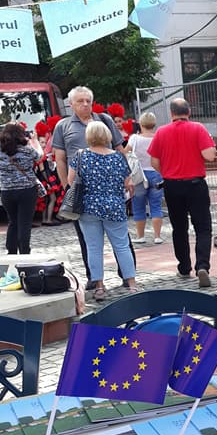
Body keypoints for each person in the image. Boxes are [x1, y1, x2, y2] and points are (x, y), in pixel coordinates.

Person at [54, 86, 134, 289]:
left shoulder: (104, 120)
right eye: (80, 101)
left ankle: (122, 277)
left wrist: (128, 175)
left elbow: (120, 149)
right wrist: (67, 188)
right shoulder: (63, 126)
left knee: (111, 242)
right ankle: (95, 279)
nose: (85, 104)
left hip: (95, 198)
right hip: (83, 192)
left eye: (88, 101)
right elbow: (60, 158)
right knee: (90, 242)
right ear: (71, 104)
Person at [148, 98, 216, 288]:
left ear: (171, 113)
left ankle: (184, 267)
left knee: (179, 228)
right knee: (203, 228)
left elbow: (154, 162)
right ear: (189, 111)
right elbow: (209, 156)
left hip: (172, 185)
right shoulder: (198, 128)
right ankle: (202, 266)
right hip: (196, 184)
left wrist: (168, 172)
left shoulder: (161, 132)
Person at [68, 121, 138, 301]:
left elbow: (70, 181)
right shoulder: (118, 157)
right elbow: (128, 183)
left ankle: (99, 287)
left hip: (88, 208)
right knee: (122, 246)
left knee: (93, 248)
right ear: (107, 135)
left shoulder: (80, 156)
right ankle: (132, 285)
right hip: (114, 207)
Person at [0, 123, 42, 255]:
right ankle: (25, 251)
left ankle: (11, 251)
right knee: (25, 223)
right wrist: (35, 141)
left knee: (13, 221)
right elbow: (40, 156)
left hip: (6, 191)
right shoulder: (27, 150)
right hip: (26, 190)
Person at [128, 112, 164, 244]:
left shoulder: (134, 139)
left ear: (140, 124)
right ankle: (157, 236)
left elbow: (125, 152)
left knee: (138, 206)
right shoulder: (158, 138)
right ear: (154, 124)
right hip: (156, 173)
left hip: (139, 175)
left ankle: (140, 236)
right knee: (156, 205)